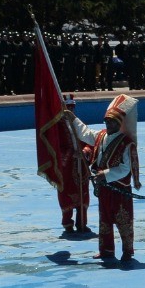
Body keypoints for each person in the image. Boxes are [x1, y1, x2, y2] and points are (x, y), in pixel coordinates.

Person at [67, 94, 140, 262]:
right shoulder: (100, 136)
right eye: (106, 121)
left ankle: (127, 251)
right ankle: (106, 250)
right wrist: (73, 118)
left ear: (119, 123)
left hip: (120, 189)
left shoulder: (126, 143)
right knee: (105, 220)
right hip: (104, 188)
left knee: (123, 220)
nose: (108, 124)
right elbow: (84, 133)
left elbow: (124, 168)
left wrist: (105, 175)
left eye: (111, 122)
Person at [55, 93, 91, 234]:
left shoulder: (78, 124)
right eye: (67, 107)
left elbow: (88, 140)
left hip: (81, 164)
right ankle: (68, 223)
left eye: (72, 107)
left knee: (83, 193)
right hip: (66, 167)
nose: (70, 110)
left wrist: (85, 151)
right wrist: (70, 154)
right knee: (66, 193)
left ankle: (82, 223)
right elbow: (56, 148)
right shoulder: (57, 128)